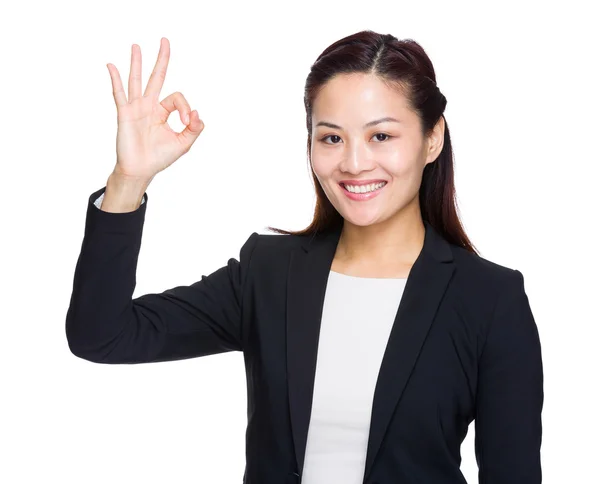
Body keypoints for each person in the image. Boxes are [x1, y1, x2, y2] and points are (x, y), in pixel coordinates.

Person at [65, 31, 544, 484]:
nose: (354, 163)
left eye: (381, 136)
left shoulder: (489, 299)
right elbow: (101, 336)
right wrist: (129, 180)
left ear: (432, 139)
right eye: (332, 137)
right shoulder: (269, 274)